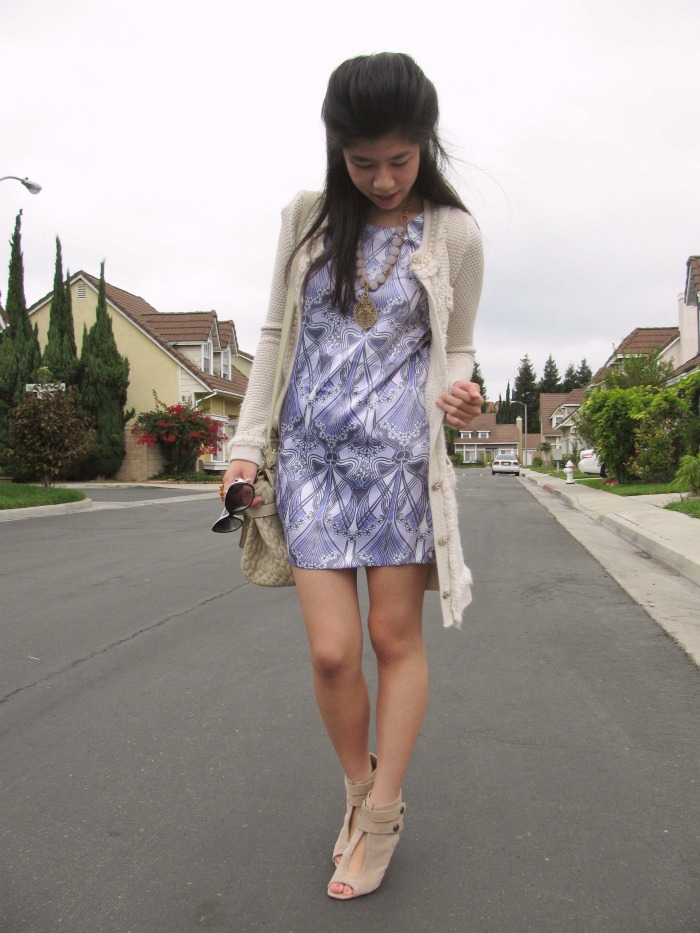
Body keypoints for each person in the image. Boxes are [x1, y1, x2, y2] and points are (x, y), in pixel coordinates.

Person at [223, 52, 484, 900]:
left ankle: (383, 813)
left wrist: (460, 394)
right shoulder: (307, 220)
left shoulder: (454, 233)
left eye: (399, 160)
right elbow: (273, 334)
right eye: (363, 160)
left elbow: (458, 345)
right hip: (311, 462)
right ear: (337, 147)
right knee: (334, 651)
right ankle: (357, 786)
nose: (382, 178)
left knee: (390, 637)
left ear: (425, 144)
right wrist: (245, 444)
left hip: (400, 465)